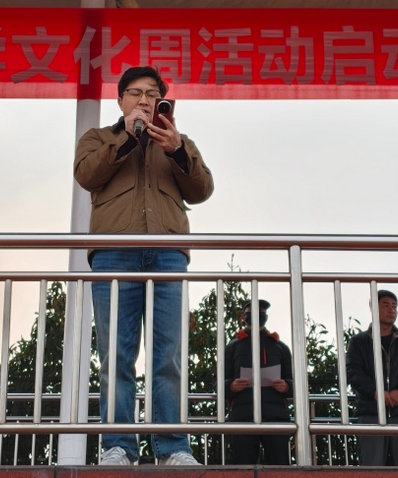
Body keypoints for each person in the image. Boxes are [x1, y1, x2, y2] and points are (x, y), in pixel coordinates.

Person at [73, 66, 214, 466]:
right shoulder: (99, 138)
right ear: (120, 100)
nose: (144, 100)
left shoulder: (178, 141)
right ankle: (118, 446)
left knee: (168, 356)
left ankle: (173, 447)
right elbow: (86, 174)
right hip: (114, 253)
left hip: (168, 252)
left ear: (163, 102)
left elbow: (202, 189)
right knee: (116, 354)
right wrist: (128, 140)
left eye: (153, 94)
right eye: (135, 93)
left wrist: (176, 150)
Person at [346, 289, 398, 466]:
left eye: (395, 306)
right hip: (370, 412)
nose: (392, 310)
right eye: (386, 305)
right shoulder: (359, 341)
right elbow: (353, 372)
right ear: (373, 308)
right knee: (371, 468)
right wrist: (375, 392)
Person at [224, 299, 293, 465]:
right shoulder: (233, 347)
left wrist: (286, 386)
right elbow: (219, 383)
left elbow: (294, 382)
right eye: (252, 312)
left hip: (276, 417)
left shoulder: (280, 347)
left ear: (266, 317)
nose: (257, 315)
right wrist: (231, 386)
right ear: (243, 316)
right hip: (242, 416)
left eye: (261, 312)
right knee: (243, 467)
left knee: (279, 467)